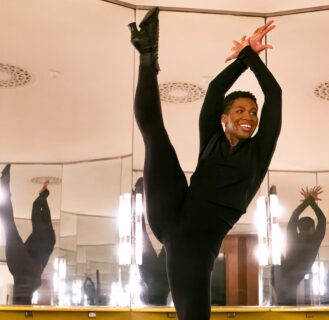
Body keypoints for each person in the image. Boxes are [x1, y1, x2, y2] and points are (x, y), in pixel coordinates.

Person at [128, 7, 281, 319]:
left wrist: (250, 55)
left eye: (252, 112)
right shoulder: (211, 136)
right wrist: (242, 59)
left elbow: (274, 94)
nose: (249, 117)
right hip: (176, 204)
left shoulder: (258, 152)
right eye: (240, 111)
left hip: (192, 243)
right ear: (224, 119)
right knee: (154, 135)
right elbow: (215, 90)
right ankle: (147, 53)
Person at [0, 164, 56, 305]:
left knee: (10, 225)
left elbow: (44, 231)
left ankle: (5, 185)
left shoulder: (35, 282)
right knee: (8, 224)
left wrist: (41, 199)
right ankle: (3, 185)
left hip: (30, 267)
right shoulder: (23, 273)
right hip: (19, 266)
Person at [273, 186, 326, 305]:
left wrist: (309, 200)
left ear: (298, 227)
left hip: (283, 274)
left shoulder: (293, 237)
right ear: (312, 228)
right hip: (294, 278)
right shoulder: (314, 240)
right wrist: (311, 200)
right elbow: (322, 219)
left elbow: (294, 214)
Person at [134, 179, 170, 305]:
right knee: (140, 231)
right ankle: (139, 194)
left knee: (170, 232)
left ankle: (141, 194)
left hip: (164, 278)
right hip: (152, 276)